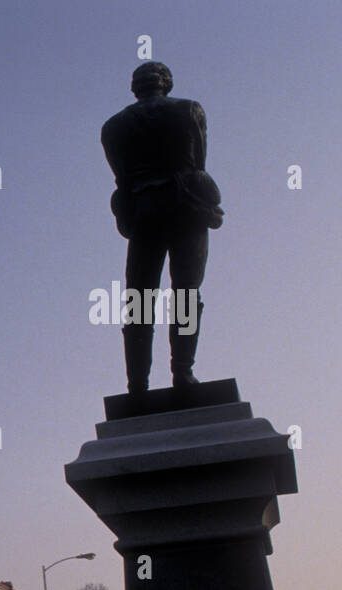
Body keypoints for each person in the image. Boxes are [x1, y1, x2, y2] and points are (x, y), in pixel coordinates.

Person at [101, 62, 223, 394]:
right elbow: (198, 165)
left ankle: (137, 383)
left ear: (135, 88)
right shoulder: (188, 110)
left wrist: (127, 217)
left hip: (144, 212)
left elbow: (122, 181)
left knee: (139, 299)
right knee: (186, 292)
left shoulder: (113, 127)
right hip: (185, 207)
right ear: (166, 83)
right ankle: (182, 373)